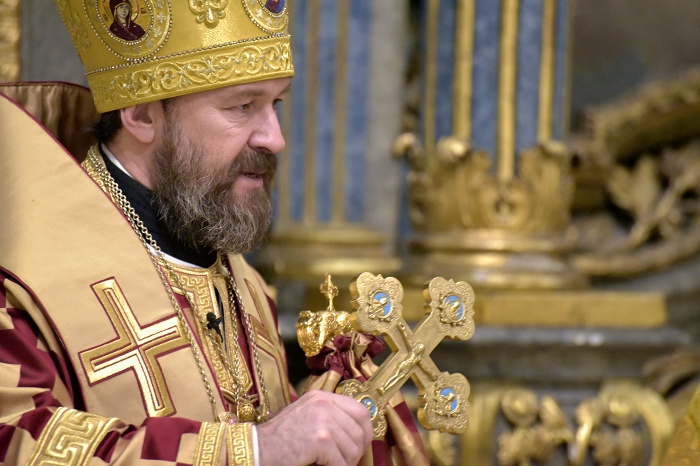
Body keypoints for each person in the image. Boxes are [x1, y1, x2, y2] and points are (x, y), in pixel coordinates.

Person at [0, 1, 430, 465]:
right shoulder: (25, 278)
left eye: (275, 104)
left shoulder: (243, 280)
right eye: (242, 106)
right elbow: (15, 439)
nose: (275, 138)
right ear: (141, 114)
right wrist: (254, 451)